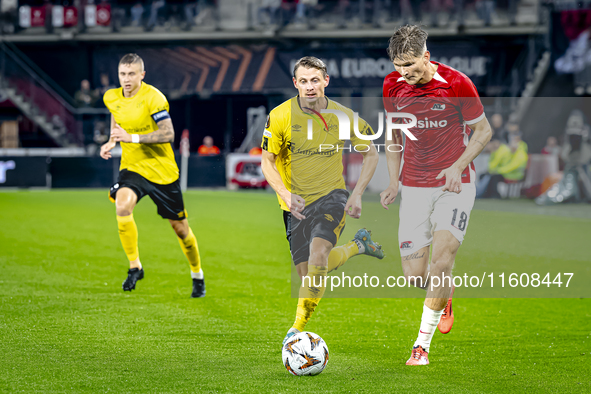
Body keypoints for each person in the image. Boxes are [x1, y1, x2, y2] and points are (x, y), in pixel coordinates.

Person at [381, 25, 492, 365]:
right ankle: (445, 295)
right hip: (414, 186)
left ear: (426, 57)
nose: (405, 73)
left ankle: (421, 347)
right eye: (399, 66)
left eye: (411, 65)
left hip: (453, 186)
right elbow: (394, 136)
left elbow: (483, 130)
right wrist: (393, 181)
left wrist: (458, 166)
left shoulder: (457, 84)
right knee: (415, 276)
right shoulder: (391, 85)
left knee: (442, 262)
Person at [260, 56, 383, 346]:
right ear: (295, 84)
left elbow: (372, 153)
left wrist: (356, 193)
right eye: (303, 81)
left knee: (318, 256)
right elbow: (267, 161)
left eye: (315, 80)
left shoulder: (344, 116)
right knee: (310, 275)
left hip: (332, 197)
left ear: (326, 81)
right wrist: (285, 194)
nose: (310, 86)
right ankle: (357, 246)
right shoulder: (280, 115)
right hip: (294, 206)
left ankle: (296, 328)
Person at [100, 53, 205, 298]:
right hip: (133, 167)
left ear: (142, 75)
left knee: (181, 230)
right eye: (123, 74)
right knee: (122, 206)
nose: (126, 79)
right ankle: (135, 266)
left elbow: (168, 134)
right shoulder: (111, 97)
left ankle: (197, 274)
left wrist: (132, 138)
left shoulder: (154, 98)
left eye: (131, 74)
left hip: (162, 171)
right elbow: (117, 115)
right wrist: (111, 140)